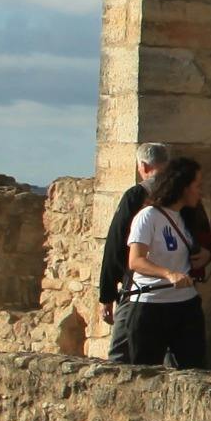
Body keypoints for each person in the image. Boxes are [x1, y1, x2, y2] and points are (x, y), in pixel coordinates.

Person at [112, 153, 208, 369]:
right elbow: (136, 261)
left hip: (185, 304)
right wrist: (169, 273)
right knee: (146, 374)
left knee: (195, 370)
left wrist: (205, 256)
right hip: (151, 306)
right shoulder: (148, 216)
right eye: (196, 185)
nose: (200, 191)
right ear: (183, 186)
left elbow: (195, 250)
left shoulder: (186, 217)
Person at [90, 142, 167, 336]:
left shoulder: (137, 195)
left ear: (144, 165)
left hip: (140, 286)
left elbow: (116, 243)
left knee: (122, 350)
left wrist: (107, 295)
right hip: (178, 286)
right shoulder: (186, 194)